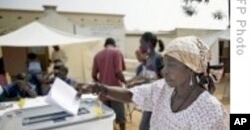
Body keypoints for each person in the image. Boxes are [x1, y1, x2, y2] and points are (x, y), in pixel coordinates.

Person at [79, 36, 229, 130]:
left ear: (192, 68)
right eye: (165, 64)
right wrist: (98, 88)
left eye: (171, 65)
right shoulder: (163, 88)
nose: (164, 71)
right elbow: (131, 95)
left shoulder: (209, 111)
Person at [129, 32, 165, 130]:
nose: (140, 46)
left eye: (141, 43)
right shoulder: (149, 58)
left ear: (148, 44)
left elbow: (164, 80)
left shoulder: (158, 58)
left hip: (157, 99)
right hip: (150, 98)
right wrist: (134, 83)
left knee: (145, 126)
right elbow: (147, 78)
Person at [92, 37, 126, 130]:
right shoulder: (117, 52)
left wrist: (100, 83)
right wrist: (126, 82)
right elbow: (119, 72)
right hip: (116, 92)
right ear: (114, 44)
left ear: (105, 45)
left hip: (103, 92)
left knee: (108, 119)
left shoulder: (97, 55)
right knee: (121, 119)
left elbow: (94, 75)